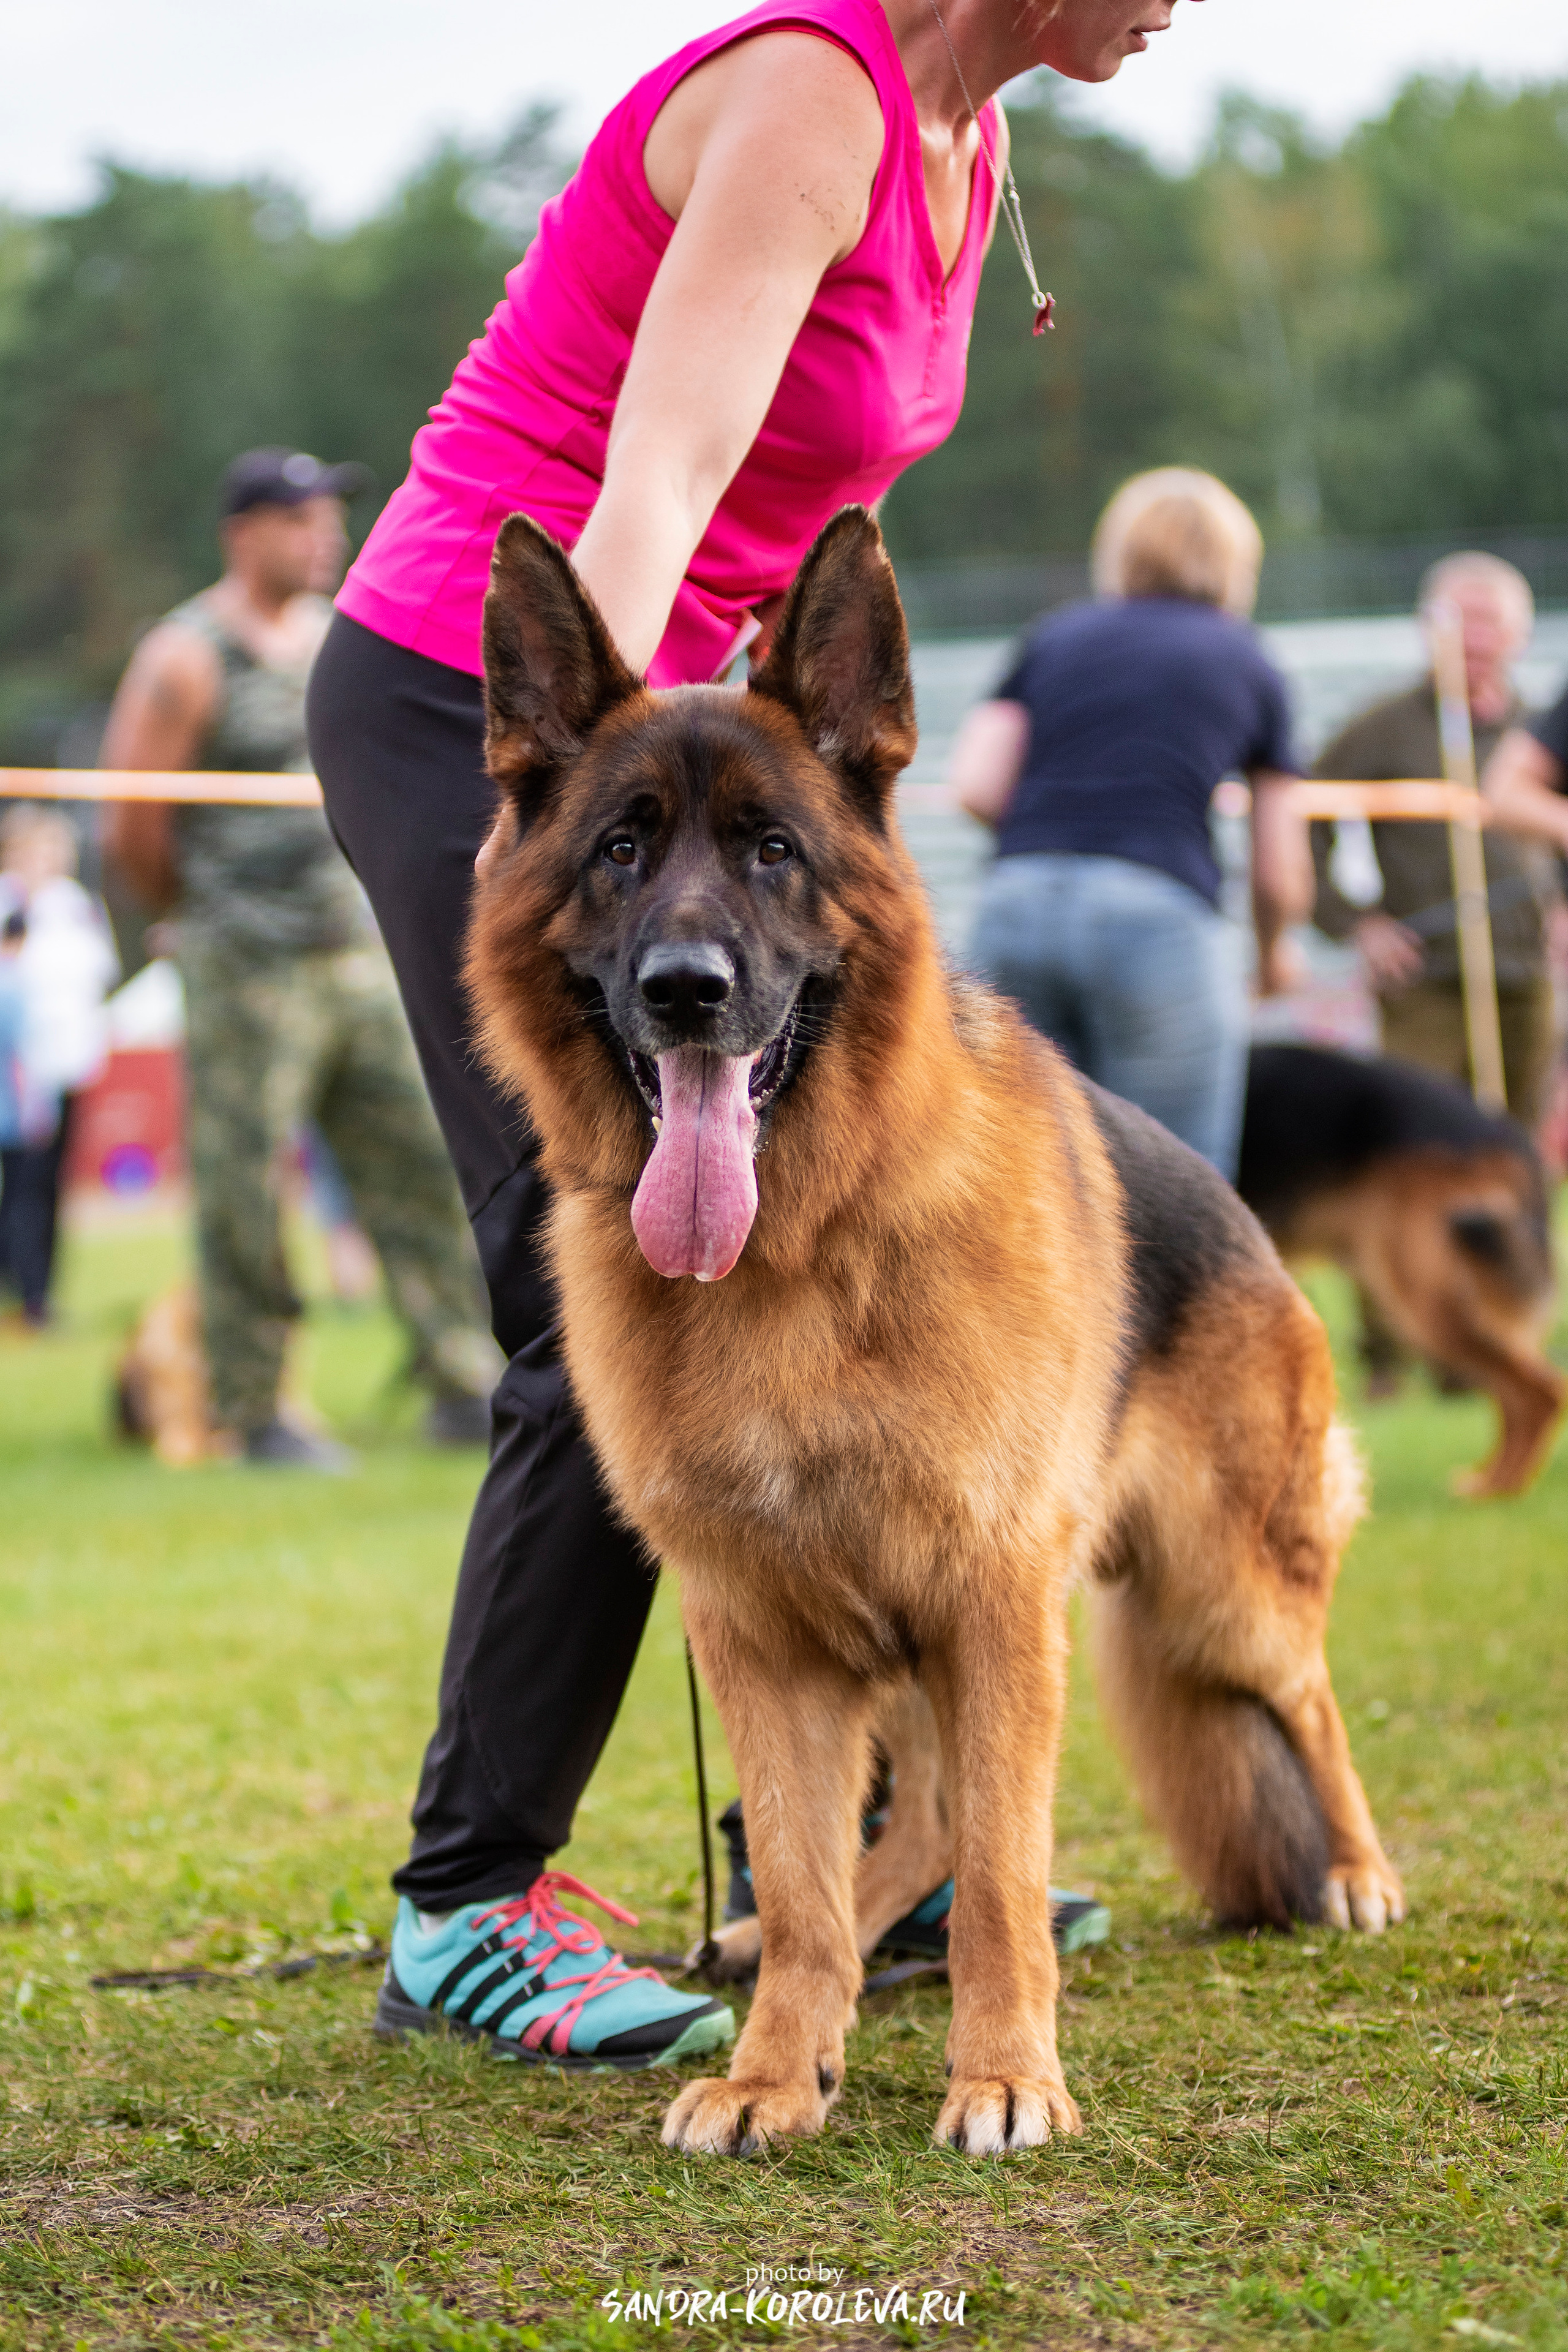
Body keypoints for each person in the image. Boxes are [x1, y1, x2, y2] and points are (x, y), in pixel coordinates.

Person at [306, 0, 1208, 2067]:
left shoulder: (974, 152)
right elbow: (670, 471)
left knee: (795, 1264)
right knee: (604, 1283)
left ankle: (851, 1861)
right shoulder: (817, 98)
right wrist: (553, 834)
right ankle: (470, 1904)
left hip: (666, 750)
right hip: (511, 702)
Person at [100, 447, 500, 1471]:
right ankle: (251, 1404)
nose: (324, 534)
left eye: (329, 515)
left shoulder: (336, 637)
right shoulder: (186, 654)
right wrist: (202, 919)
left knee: (422, 1159)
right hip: (248, 965)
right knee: (243, 1187)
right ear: (242, 534)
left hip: (357, 956)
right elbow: (132, 825)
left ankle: (464, 1376)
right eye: (298, 518)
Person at [952, 466, 1310, 1178]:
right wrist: (1273, 958)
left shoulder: (1055, 637)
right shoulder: (1247, 658)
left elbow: (976, 783)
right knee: (1171, 1190)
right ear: (1235, 562)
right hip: (1158, 920)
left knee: (1012, 1186)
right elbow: (1278, 869)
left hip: (1014, 905)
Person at [1310, 552, 1559, 1125]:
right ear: (1427, 628)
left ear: (1519, 634)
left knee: (1521, 1149)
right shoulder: (1384, 727)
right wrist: (1354, 922)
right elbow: (1301, 814)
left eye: (1489, 622)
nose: (1474, 639)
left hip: (1528, 973)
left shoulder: (1541, 735)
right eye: (1458, 621)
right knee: (1425, 1143)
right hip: (1425, 982)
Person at [0, 809, 119, 1327]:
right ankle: (28, 1293)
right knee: (24, 1183)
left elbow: (98, 974)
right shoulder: (10, 905)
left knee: (45, 1182)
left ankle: (36, 1292)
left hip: (65, 1064)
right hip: (16, 1071)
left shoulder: (75, 906)